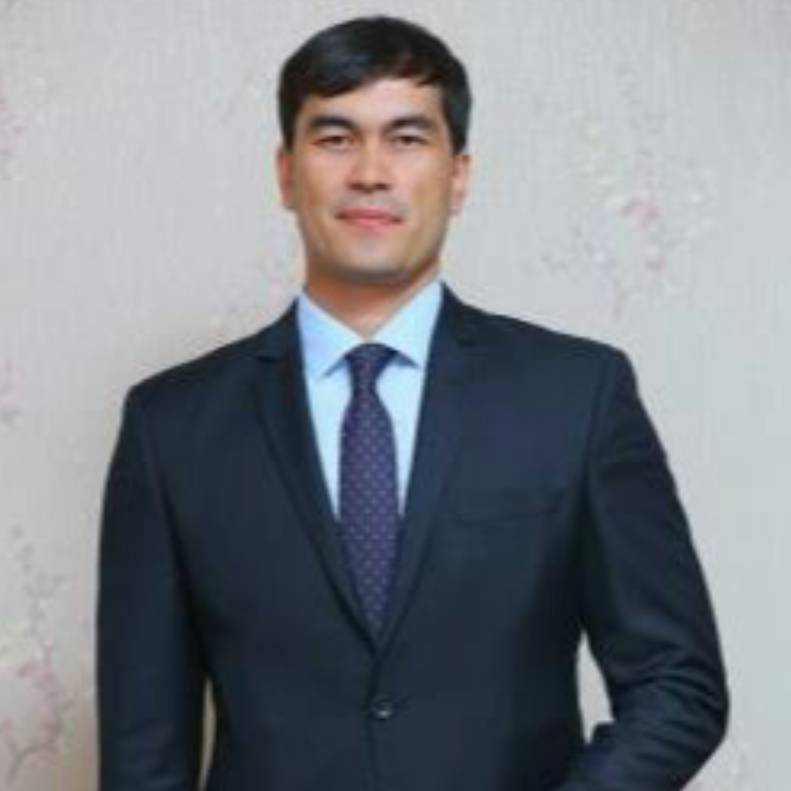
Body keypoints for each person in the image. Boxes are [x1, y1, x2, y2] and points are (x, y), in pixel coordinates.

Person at [95, 15, 728, 791]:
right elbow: (143, 752)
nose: (370, 172)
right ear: (286, 174)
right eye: (335, 138)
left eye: (405, 138)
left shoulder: (576, 395)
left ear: (457, 175)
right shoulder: (171, 426)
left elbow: (676, 683)